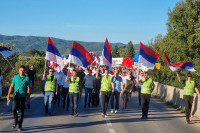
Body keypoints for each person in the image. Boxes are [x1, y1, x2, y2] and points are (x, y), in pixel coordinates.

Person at [7, 65, 30, 131]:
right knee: (14, 109)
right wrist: (8, 95)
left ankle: (20, 126)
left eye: (23, 70)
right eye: (20, 70)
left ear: (24, 71)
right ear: (18, 71)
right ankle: (16, 120)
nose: (21, 72)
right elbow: (11, 86)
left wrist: (28, 98)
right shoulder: (15, 77)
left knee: (21, 112)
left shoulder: (26, 78)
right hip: (16, 96)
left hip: (23, 97)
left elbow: (28, 88)